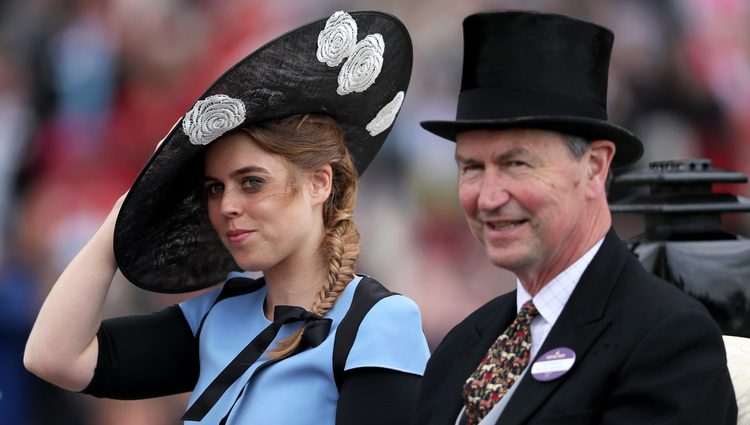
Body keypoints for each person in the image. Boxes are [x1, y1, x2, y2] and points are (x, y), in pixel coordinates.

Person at [24, 11, 429, 424]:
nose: (226, 206)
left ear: (319, 183)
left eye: (251, 182)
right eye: (215, 188)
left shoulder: (379, 322)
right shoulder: (218, 316)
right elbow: (53, 356)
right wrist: (127, 208)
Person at [413, 10, 737, 425]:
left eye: (516, 164)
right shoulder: (459, 348)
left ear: (595, 167)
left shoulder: (666, 340)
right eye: (471, 167)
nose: (488, 197)